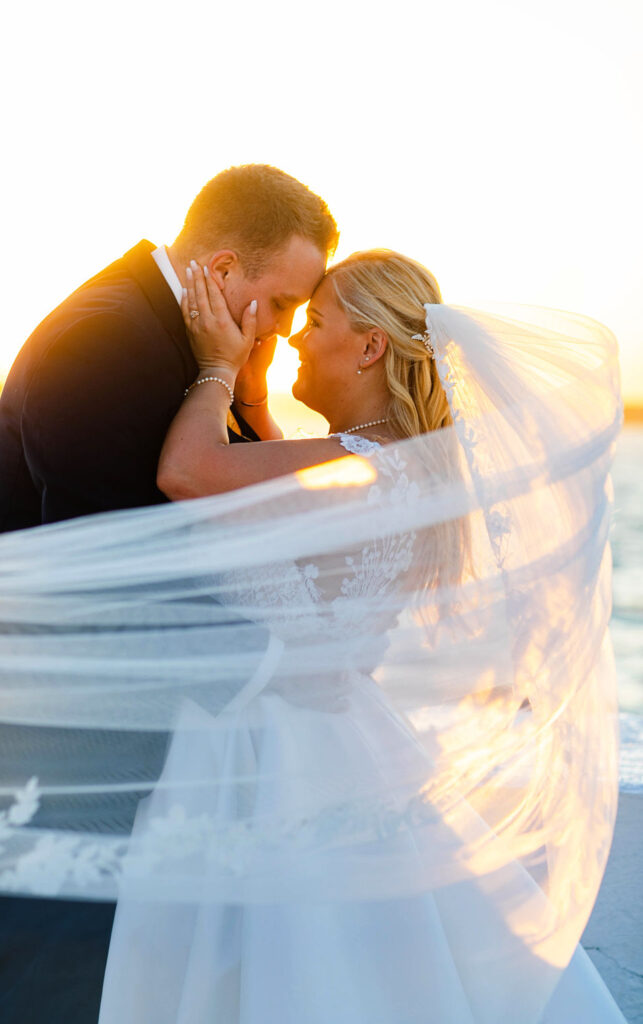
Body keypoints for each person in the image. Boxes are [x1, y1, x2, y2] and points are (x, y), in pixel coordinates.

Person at [91, 250, 625, 1022]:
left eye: (315, 322)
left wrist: (214, 365)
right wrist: (257, 404)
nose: (296, 339)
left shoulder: (363, 465)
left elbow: (187, 472)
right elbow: (302, 519)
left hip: (268, 754)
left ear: (370, 346)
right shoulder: (399, 466)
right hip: (336, 739)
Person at [0, 164, 338, 1024]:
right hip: (58, 747)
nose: (283, 334)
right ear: (218, 269)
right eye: (280, 303)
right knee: (52, 991)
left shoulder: (190, 343)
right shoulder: (104, 338)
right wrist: (279, 667)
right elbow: (106, 576)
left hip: (127, 740)